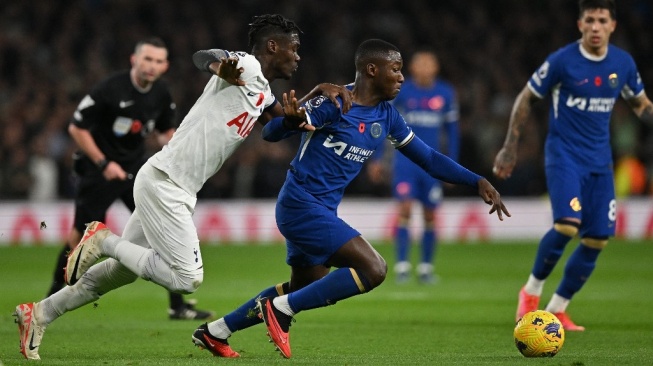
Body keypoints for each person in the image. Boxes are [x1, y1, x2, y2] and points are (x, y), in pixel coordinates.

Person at [13, 14, 352, 360]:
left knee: (119, 274)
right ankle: (104, 240)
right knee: (186, 279)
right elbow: (205, 56)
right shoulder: (246, 66)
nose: (298, 57)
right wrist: (219, 66)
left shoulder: (262, 90)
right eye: (294, 49)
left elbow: (282, 122)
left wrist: (318, 92)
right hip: (166, 183)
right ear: (272, 46)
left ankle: (39, 314)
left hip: (172, 185)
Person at [192, 38, 510, 359]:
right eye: (396, 70)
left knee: (302, 289)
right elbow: (271, 132)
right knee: (374, 269)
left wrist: (477, 180)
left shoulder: (387, 115)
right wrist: (290, 120)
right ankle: (282, 311)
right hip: (301, 205)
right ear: (372, 70)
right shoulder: (335, 101)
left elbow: (427, 157)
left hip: (321, 209)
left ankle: (216, 331)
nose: (401, 77)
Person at [492, 0, 653, 331]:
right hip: (564, 155)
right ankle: (531, 292)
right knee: (567, 224)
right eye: (590, 20)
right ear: (580, 25)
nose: (595, 26)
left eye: (602, 20)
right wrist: (510, 146)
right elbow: (526, 97)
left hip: (600, 162)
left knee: (597, 239)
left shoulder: (622, 63)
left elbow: (640, 104)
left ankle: (558, 309)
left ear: (612, 26)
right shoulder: (562, 61)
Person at [46, 37, 214, 321]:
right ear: (134, 60)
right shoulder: (111, 88)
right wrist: (103, 163)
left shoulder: (161, 93)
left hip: (136, 171)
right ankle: (49, 298)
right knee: (78, 235)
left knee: (159, 226)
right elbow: (77, 128)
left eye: (158, 61)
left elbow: (165, 134)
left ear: (165, 66)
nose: (152, 66)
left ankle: (178, 306)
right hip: (98, 170)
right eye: (147, 59)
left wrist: (182, 156)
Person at [370, 49, 460, 284]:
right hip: (405, 162)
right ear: (412, 68)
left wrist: (453, 165)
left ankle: (426, 268)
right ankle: (401, 267)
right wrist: (378, 158)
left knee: (430, 214)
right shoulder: (402, 91)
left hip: (432, 163)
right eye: (420, 63)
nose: (424, 67)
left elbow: (451, 132)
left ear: (435, 68)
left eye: (428, 63)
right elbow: (384, 123)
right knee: (405, 210)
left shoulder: (445, 93)